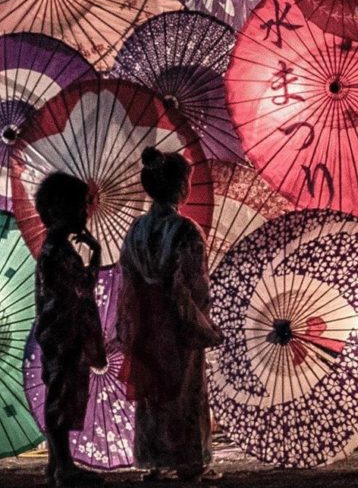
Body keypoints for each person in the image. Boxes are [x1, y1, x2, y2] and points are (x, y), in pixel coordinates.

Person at [117, 147, 224, 483]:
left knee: (152, 390)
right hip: (175, 319)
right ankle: (188, 460)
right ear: (181, 187)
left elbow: (127, 278)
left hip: (144, 319)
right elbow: (194, 286)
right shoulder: (186, 230)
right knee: (185, 389)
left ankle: (154, 461)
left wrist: (128, 324)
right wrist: (202, 323)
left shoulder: (136, 229)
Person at [34, 171, 106, 488]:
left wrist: (95, 256)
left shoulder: (57, 249)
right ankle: (62, 466)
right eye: (79, 206)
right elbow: (77, 290)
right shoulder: (56, 252)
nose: (84, 214)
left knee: (60, 395)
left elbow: (80, 286)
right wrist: (95, 259)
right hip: (63, 335)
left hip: (62, 334)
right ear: (57, 210)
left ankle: (57, 465)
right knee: (60, 397)